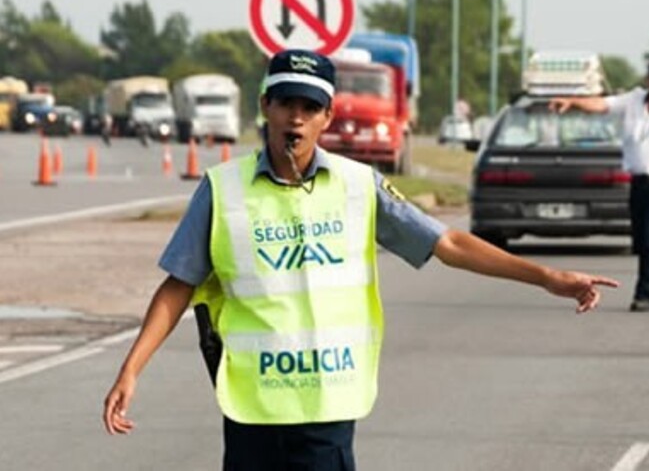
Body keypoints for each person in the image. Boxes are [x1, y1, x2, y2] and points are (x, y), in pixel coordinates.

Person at [103, 49, 618, 470]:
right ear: (265, 106)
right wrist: (132, 370)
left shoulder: (359, 186)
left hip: (328, 400)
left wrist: (547, 276)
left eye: (309, 107)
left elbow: (448, 244)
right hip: (253, 403)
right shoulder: (223, 189)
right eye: (285, 103)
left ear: (328, 116)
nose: (296, 118)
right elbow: (179, 285)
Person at [550, 58, 649, 312]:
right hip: (639, 179)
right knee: (643, 239)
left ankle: (644, 293)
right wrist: (572, 102)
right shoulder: (633, 100)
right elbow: (601, 104)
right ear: (648, 79)